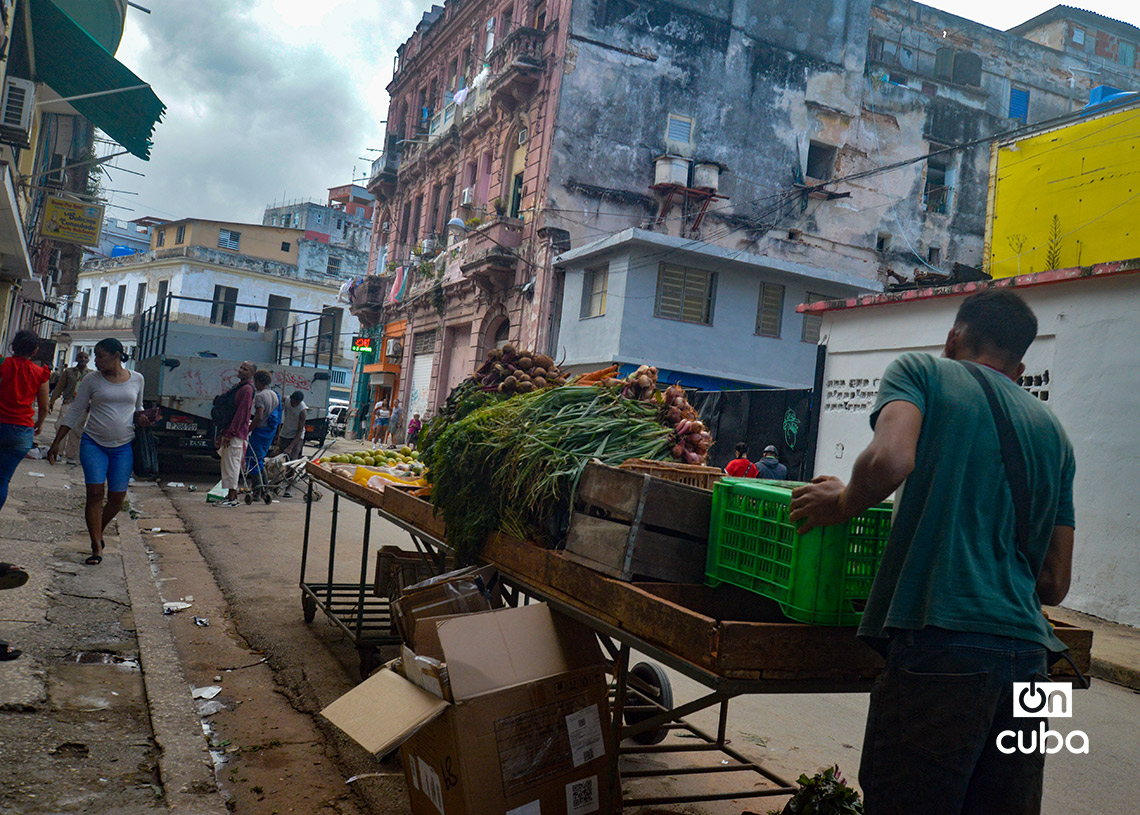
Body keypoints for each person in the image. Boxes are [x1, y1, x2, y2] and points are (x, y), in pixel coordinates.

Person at [789, 290, 1075, 815]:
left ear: (953, 338)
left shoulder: (922, 372)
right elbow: (1056, 582)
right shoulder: (1055, 433)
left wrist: (842, 503)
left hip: (943, 649)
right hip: (1034, 665)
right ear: (1021, 363)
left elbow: (891, 459)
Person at [48, 338, 149, 566]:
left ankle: (98, 531)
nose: (96, 360)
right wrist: (57, 442)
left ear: (116, 355)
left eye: (101, 355)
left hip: (123, 445)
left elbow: (138, 407)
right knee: (94, 495)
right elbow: (75, 411)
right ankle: (96, 545)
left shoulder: (137, 379)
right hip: (93, 443)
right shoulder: (92, 380)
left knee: (116, 499)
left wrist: (143, 418)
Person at [0, 330, 47, 661]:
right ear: (34, 350)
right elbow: (43, 403)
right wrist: (39, 424)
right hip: (20, 430)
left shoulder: (2, 365)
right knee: (3, 476)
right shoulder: (39, 372)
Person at [215, 361, 256, 507]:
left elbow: (242, 414)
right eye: (241, 367)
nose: (241, 370)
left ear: (251, 374)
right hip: (230, 431)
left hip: (235, 433)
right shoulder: (240, 388)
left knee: (232, 464)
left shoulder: (247, 390)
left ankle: (232, 498)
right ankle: (229, 495)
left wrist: (230, 433)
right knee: (227, 463)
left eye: (245, 369)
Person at [50, 350, 90, 464]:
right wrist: (52, 401)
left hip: (83, 405)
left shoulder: (91, 374)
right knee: (61, 427)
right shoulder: (68, 372)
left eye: (85, 357)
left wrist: (92, 404)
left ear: (88, 360)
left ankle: (71, 456)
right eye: (80, 357)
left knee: (77, 430)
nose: (83, 359)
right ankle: (58, 452)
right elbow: (59, 387)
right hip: (68, 402)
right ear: (76, 359)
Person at [246, 370, 281, 485]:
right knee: (259, 460)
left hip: (260, 431)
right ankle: (265, 488)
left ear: (258, 381)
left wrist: (249, 429)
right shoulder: (274, 395)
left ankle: (257, 489)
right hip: (269, 432)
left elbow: (259, 416)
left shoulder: (260, 396)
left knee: (253, 460)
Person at [276, 391, 308, 498]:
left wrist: (290, 447)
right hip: (285, 433)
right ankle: (277, 485)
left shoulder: (302, 411)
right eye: (293, 402)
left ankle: (288, 487)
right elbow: (280, 402)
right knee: (281, 461)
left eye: (297, 403)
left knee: (292, 462)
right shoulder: (287, 399)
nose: (294, 404)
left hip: (296, 436)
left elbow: (299, 431)